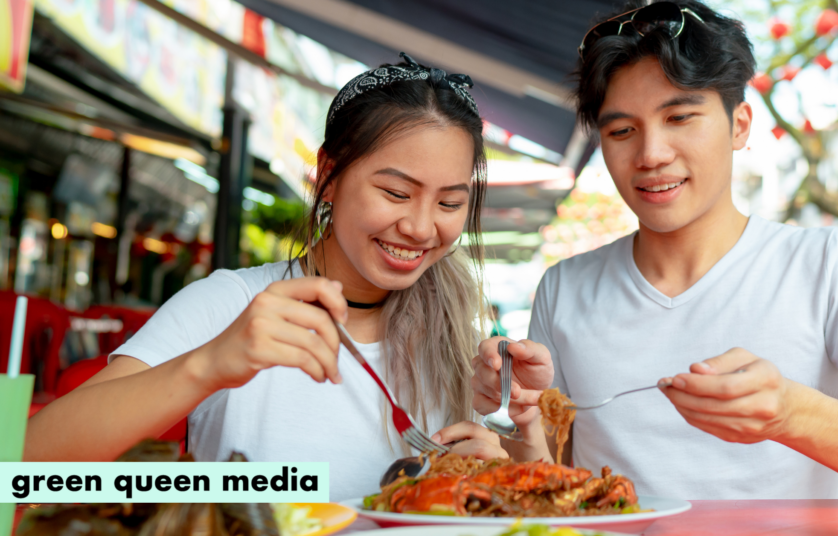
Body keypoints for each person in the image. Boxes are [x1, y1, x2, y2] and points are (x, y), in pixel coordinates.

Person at [461, 0, 838, 509]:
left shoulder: (828, 264)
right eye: (622, 131)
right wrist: (522, 416)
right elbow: (551, 480)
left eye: (680, 116)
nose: (651, 154)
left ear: (740, 125)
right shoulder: (566, 287)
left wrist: (790, 413)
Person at [27, 54, 506, 501]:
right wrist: (211, 362)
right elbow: (26, 468)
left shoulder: (458, 346)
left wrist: (494, 467)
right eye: (396, 192)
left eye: (449, 204)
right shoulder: (233, 306)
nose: (422, 227)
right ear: (329, 174)